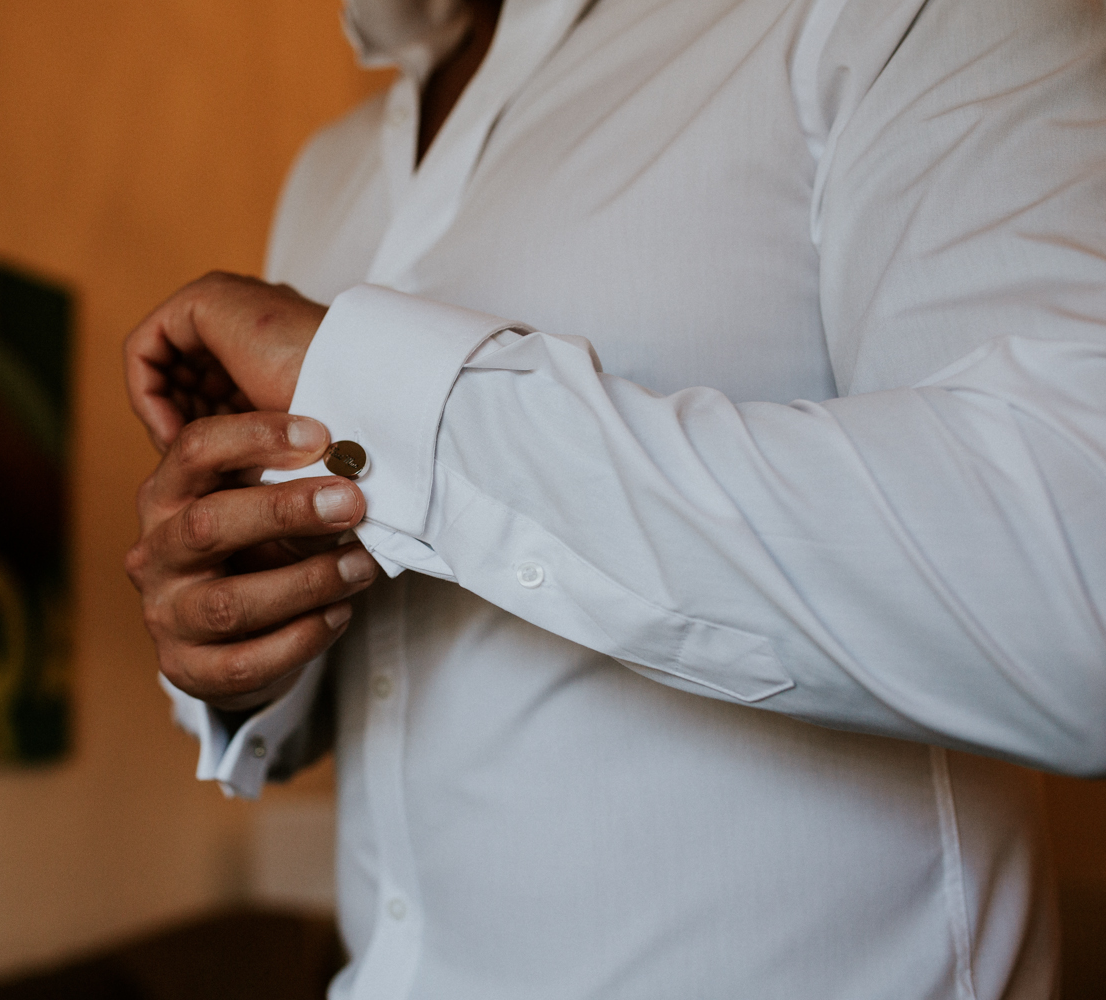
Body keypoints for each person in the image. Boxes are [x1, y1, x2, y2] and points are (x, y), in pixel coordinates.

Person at [124, 0, 1106, 995]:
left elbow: (1077, 581)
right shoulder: (326, 174)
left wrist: (395, 399)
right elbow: (390, 665)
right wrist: (242, 643)